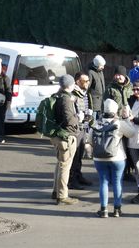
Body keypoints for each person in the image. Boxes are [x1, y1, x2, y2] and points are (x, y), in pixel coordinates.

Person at [92, 99, 136, 218]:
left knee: (103, 182)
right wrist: (127, 120)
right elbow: (132, 133)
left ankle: (103, 209)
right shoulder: (119, 123)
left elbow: (90, 139)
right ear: (115, 110)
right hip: (117, 157)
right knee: (117, 182)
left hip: (99, 158)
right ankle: (117, 209)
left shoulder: (96, 123)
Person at [51, 74, 80, 205]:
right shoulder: (66, 99)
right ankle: (62, 196)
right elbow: (69, 119)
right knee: (65, 166)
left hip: (58, 135)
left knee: (60, 164)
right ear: (71, 85)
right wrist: (78, 117)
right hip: (67, 136)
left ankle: (56, 191)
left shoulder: (57, 96)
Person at [69, 72, 94, 189]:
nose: (88, 83)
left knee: (80, 154)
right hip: (77, 128)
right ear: (77, 82)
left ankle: (78, 175)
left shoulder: (84, 92)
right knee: (75, 155)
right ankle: (72, 180)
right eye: (85, 81)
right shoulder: (73, 94)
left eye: (88, 81)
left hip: (84, 126)